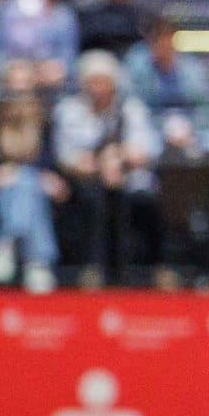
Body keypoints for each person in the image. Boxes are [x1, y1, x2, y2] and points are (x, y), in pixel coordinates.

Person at [53, 48, 160, 279]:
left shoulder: (131, 109)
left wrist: (119, 158)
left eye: (103, 82)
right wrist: (101, 165)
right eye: (92, 82)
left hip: (126, 174)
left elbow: (145, 150)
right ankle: (93, 268)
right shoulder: (69, 110)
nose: (97, 89)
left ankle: (151, 268)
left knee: (145, 197)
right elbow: (66, 157)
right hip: (86, 179)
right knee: (94, 198)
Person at [0, 68, 64, 292]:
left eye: (24, 90)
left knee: (27, 182)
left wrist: (32, 175)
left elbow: (50, 163)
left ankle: (5, 244)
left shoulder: (45, 121)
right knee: (26, 184)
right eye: (13, 90)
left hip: (32, 185)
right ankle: (37, 263)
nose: (19, 96)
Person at [125, 16, 209, 138]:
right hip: (150, 128)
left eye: (167, 39)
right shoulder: (137, 64)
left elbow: (206, 107)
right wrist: (161, 126)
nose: (164, 44)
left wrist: (191, 128)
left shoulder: (192, 68)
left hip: (189, 127)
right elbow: (131, 102)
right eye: (158, 39)